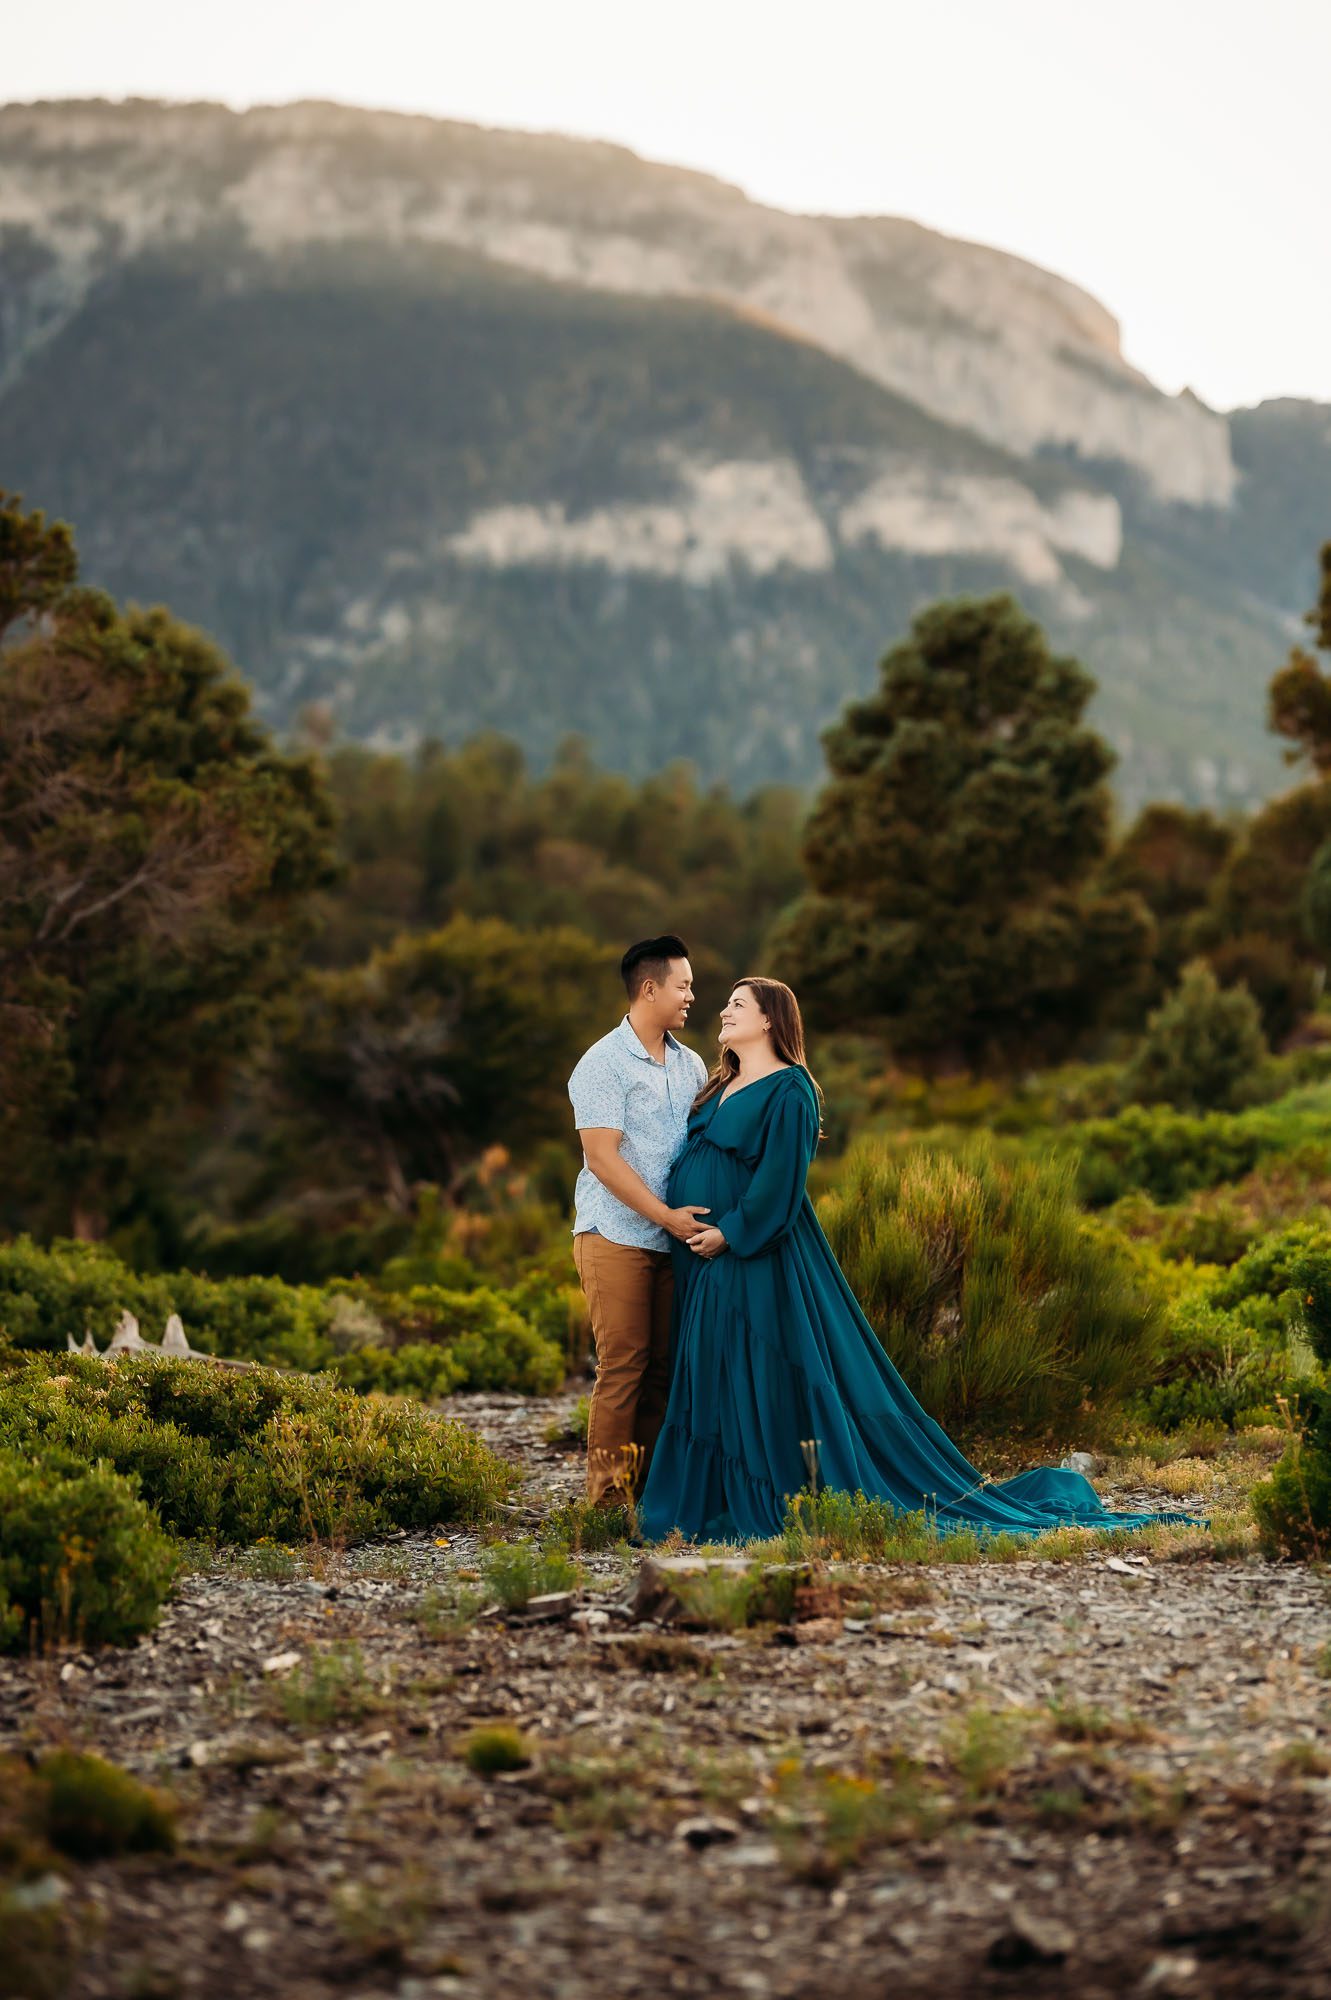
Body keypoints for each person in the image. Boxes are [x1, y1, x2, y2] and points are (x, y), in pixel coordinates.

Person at [639, 975, 1202, 1545]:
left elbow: (781, 1182)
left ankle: (770, 1494)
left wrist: (730, 1234)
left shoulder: (791, 1090)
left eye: (739, 1004)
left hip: (751, 1254)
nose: (724, 1011)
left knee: (758, 1368)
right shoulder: (720, 1084)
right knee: (713, 1370)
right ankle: (706, 1500)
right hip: (700, 1257)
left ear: (769, 1020)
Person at [567, 935, 709, 1507]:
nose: (691, 997)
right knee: (623, 1364)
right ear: (650, 989)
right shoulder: (601, 1063)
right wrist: (668, 1219)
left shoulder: (690, 1061)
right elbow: (602, 1158)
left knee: (664, 1367)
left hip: (670, 1239)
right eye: (684, 986)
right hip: (615, 1235)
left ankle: (648, 1495)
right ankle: (605, 1500)